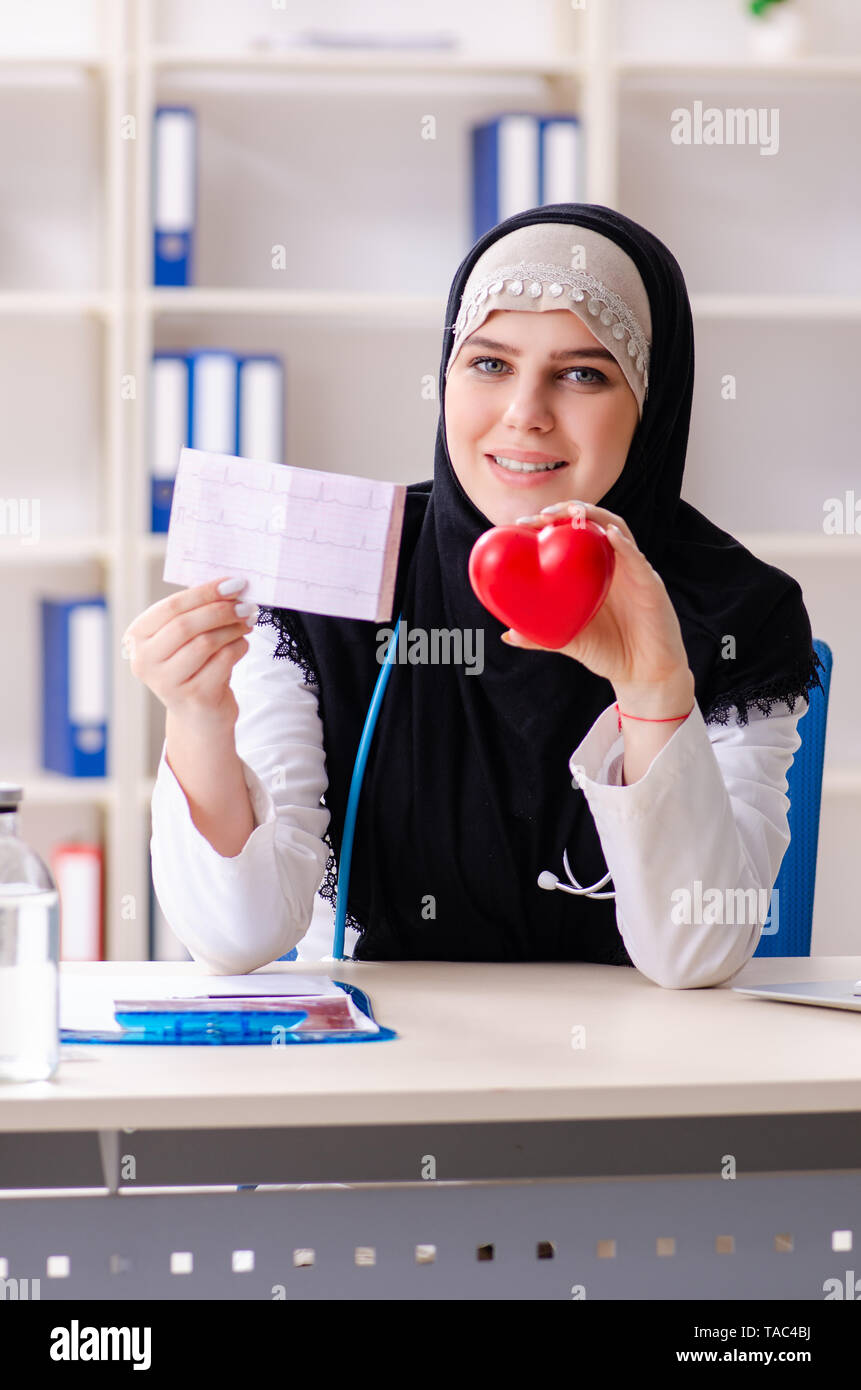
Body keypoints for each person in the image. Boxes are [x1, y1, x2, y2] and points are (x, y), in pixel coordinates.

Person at [131, 204, 822, 987]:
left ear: (652, 405)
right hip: (390, 1063)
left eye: (582, 374)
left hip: (644, 1073)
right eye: (489, 364)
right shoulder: (338, 575)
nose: (524, 415)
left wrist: (653, 688)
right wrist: (198, 720)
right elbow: (236, 936)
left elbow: (694, 955)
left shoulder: (735, 609)